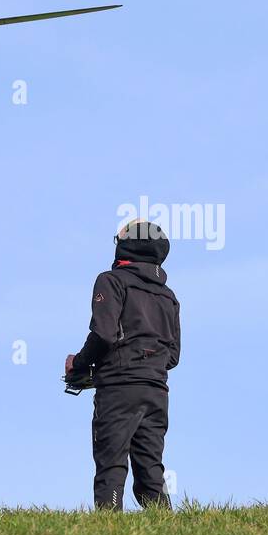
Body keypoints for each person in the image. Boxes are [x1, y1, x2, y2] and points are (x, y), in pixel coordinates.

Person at [66, 219, 180, 511]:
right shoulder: (168, 296)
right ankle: (165, 527)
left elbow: (103, 335)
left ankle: (109, 529)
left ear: (126, 245)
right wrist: (146, 365)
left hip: (119, 389)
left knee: (111, 464)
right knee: (151, 468)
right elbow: (173, 356)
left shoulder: (111, 281)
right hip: (156, 390)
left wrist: (79, 366)